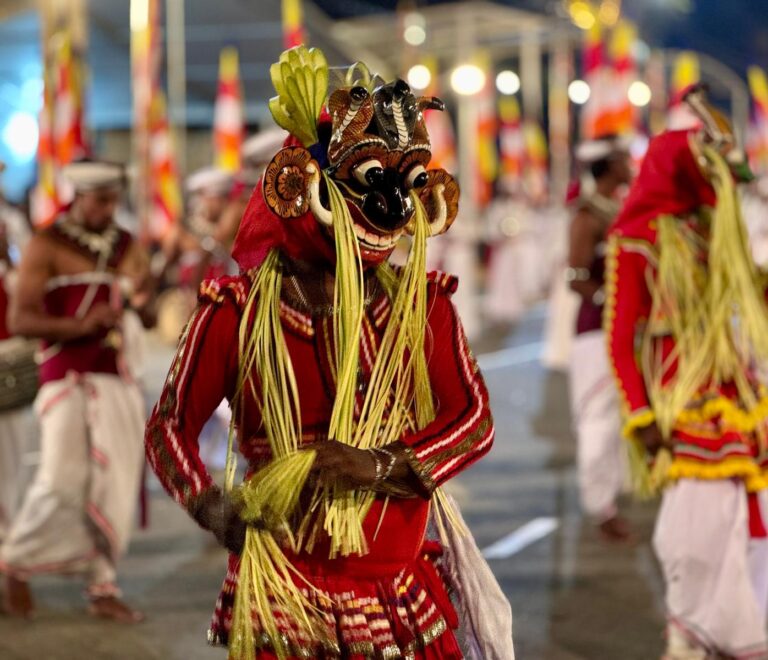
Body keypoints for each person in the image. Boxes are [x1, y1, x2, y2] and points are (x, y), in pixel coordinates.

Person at [146, 46, 510, 659]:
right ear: (300, 184)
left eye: (405, 184)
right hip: (284, 583)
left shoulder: (422, 304)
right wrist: (209, 504)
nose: (391, 208)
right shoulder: (237, 311)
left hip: (398, 580)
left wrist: (380, 465)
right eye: (370, 180)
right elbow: (170, 425)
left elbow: (473, 421)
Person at [606, 86, 768, 659]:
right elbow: (621, 342)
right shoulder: (635, 241)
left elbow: (751, 295)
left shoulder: (713, 234)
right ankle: (691, 634)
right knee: (692, 536)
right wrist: (642, 416)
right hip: (682, 405)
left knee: (744, 527)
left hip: (738, 393)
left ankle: (739, 630)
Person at [1, 159, 153, 623]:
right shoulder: (46, 245)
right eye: (101, 201)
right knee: (60, 480)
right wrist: (79, 325)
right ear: (79, 198)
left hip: (115, 378)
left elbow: (146, 307)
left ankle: (102, 585)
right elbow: (20, 320)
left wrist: (136, 307)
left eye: (114, 200)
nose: (109, 210)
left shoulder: (127, 245)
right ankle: (15, 561)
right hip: (65, 378)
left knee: (116, 483)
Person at [567, 135, 633, 542]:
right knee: (598, 419)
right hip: (595, 331)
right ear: (608, 165)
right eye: (624, 157)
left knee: (620, 418)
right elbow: (575, 277)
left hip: (623, 329)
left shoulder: (622, 208)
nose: (631, 162)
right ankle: (599, 505)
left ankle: (616, 491)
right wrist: (612, 297)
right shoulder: (588, 216)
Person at [0, 182, 34, 549]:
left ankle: (7, 544)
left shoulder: (11, 224)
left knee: (9, 460)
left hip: (5, 366)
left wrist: (9, 259)